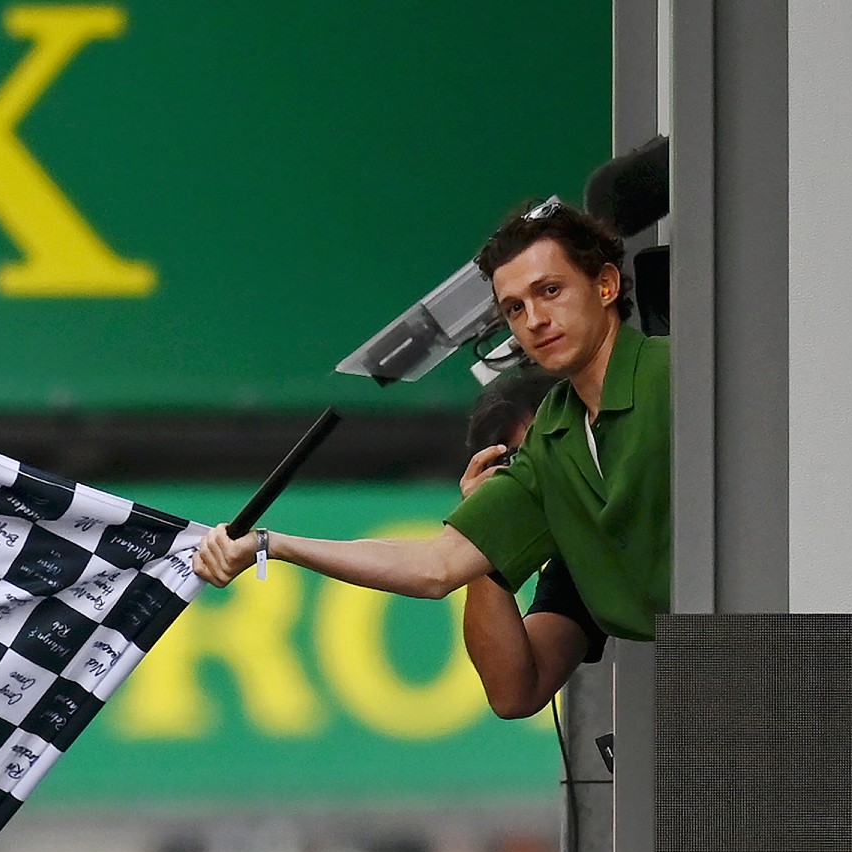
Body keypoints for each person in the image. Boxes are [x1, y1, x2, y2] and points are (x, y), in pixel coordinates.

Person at [194, 200, 670, 645]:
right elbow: (438, 566)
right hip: (696, 653)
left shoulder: (674, 375)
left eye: (550, 290)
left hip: (733, 626)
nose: (535, 320)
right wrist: (271, 543)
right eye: (514, 308)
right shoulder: (552, 430)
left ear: (606, 286)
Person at [459, 369, 607, 719]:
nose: (535, 477)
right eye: (516, 464)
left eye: (547, 450)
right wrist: (483, 524)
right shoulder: (578, 560)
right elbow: (512, 695)